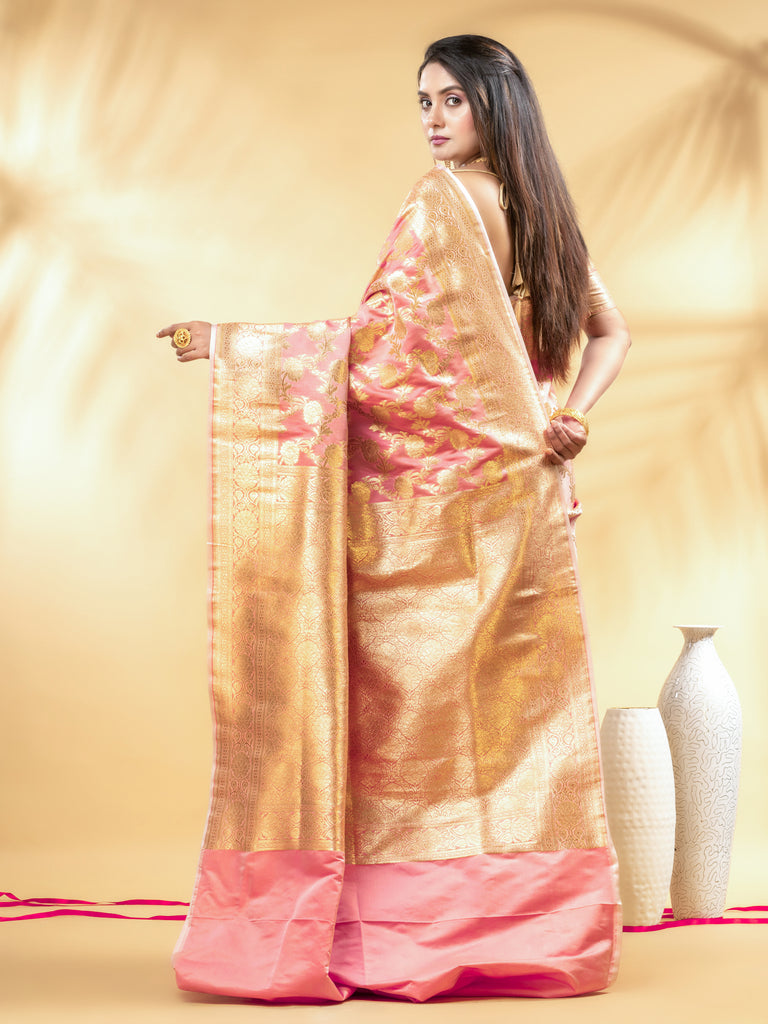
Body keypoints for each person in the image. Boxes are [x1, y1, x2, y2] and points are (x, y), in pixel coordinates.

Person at [159, 35, 630, 1002]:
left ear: (497, 104)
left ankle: (391, 933)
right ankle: (530, 928)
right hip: (527, 495)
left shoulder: (441, 202)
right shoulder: (543, 212)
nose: (433, 119)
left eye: (453, 99)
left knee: (399, 720)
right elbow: (610, 333)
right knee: (508, 720)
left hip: (435, 509)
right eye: (424, 101)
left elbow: (381, 352)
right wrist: (571, 416)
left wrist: (233, 344)